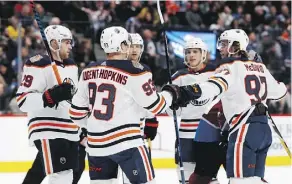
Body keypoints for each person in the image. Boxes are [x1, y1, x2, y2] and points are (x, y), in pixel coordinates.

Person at [165, 29, 287, 184]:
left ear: (235, 45)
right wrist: (259, 68)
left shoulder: (230, 66)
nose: (219, 48)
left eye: (223, 44)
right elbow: (281, 92)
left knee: (239, 180)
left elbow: (212, 87)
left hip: (242, 129)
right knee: (255, 179)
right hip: (263, 130)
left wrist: (188, 92)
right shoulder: (260, 67)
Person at [69, 26, 181, 184]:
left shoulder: (89, 70)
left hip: (96, 146)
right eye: (127, 43)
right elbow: (156, 106)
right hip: (127, 143)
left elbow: (75, 114)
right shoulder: (136, 71)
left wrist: (96, 127)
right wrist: (171, 94)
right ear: (121, 46)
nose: (130, 47)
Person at [16, 25, 80, 184]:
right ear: (54, 43)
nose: (70, 46)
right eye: (67, 42)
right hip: (48, 129)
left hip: (69, 131)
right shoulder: (38, 64)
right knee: (62, 174)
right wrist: (50, 96)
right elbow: (23, 101)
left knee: (40, 172)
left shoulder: (72, 66)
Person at [166, 37, 222, 184]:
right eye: (188, 52)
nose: (191, 55)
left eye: (195, 51)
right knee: (185, 177)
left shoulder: (215, 73)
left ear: (203, 54)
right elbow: (167, 106)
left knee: (208, 177)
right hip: (186, 133)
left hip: (209, 131)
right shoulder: (178, 77)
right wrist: (172, 106)